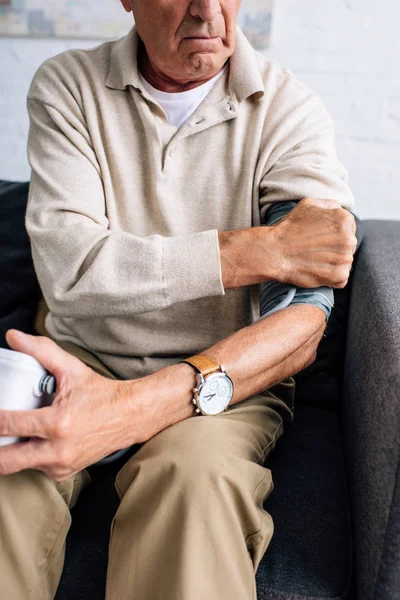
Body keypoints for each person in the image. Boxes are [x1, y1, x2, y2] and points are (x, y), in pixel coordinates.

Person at [0, 1, 357, 598]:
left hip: (225, 375)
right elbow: (73, 270)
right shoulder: (68, 86)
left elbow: (302, 316)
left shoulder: (290, 111)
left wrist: (138, 406)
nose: (207, 10)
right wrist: (254, 251)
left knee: (192, 482)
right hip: (75, 361)